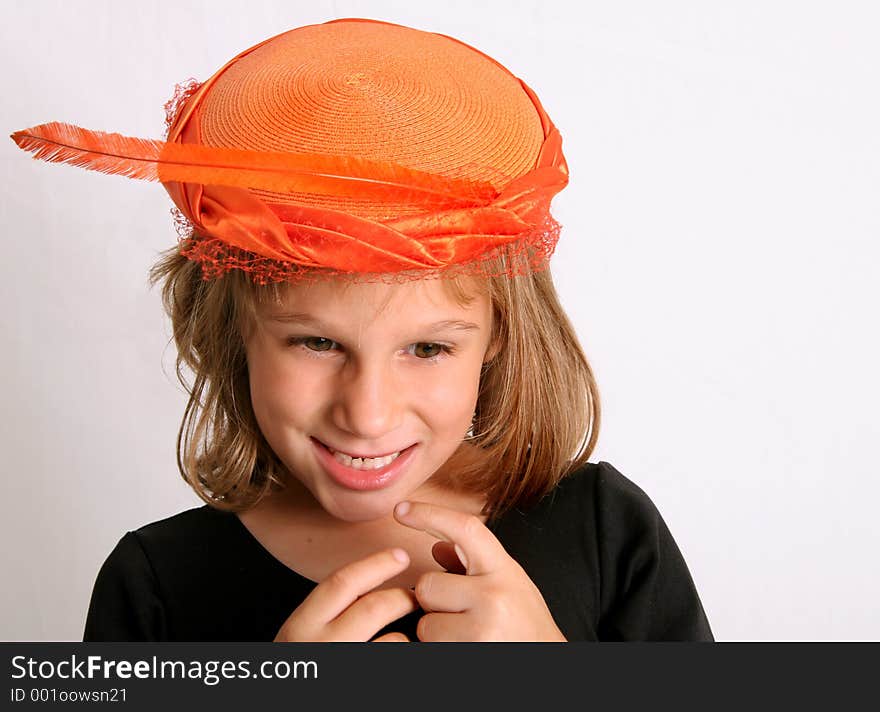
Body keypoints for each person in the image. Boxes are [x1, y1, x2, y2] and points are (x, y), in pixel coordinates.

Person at [11, 18, 712, 642]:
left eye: (429, 347)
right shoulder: (157, 588)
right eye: (316, 342)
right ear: (234, 332)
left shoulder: (606, 532)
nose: (367, 414)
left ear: (497, 336)